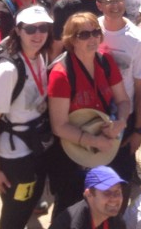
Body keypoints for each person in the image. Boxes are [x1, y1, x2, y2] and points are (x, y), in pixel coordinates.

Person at [48, 13, 132, 216]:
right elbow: (58, 126)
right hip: (72, 150)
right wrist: (93, 141)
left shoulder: (105, 62)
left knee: (115, 198)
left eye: (95, 32)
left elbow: (123, 101)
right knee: (70, 209)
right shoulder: (61, 74)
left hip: (103, 141)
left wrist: (120, 122)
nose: (92, 38)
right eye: (84, 34)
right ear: (71, 39)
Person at [0, 5, 54, 229]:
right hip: (14, 155)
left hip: (35, 145)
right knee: (15, 214)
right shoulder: (8, 70)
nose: (37, 34)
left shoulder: (39, 56)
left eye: (43, 28)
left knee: (29, 204)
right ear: (18, 31)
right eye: (30, 29)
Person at [97, 0, 141, 186]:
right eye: (109, 0)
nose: (116, 5)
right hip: (94, 111)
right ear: (99, 5)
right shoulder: (92, 28)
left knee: (121, 176)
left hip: (123, 116)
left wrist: (137, 130)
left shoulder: (138, 40)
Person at [50, 165, 126, 229]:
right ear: (89, 194)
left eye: (118, 192)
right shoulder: (71, 225)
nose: (115, 198)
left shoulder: (116, 221)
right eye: (107, 192)